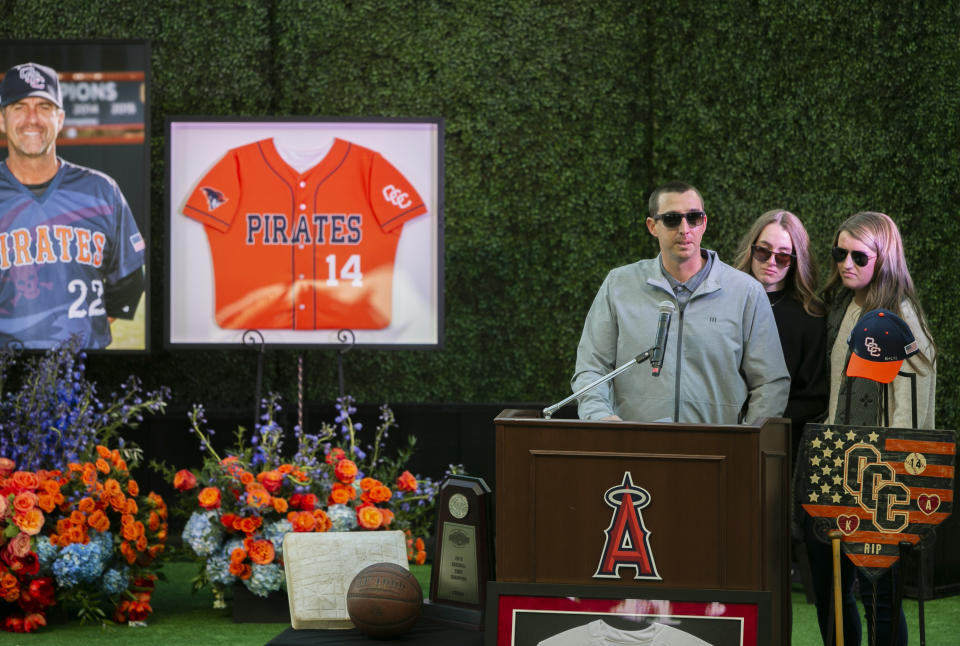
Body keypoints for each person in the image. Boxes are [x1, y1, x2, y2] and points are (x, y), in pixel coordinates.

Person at [806, 211, 936, 646]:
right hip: (839, 468)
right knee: (835, 595)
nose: (847, 264)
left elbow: (913, 409)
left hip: (881, 478)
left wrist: (897, 485)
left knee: (880, 599)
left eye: (859, 256)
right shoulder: (850, 305)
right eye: (839, 253)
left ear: (885, 257)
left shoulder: (900, 316)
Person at [571, 181, 790, 424]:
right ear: (652, 226)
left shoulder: (746, 292)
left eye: (694, 217)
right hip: (635, 449)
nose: (685, 229)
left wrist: (749, 439)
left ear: (704, 223)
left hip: (717, 452)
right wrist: (600, 417)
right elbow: (591, 368)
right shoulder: (619, 285)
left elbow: (770, 381)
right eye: (672, 219)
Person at [0, 62, 145, 349]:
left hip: (85, 371)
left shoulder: (102, 191)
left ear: (60, 119)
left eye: (44, 107)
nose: (32, 119)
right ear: (2, 120)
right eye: (19, 107)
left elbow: (127, 283)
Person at [733, 209, 828, 459]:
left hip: (780, 443)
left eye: (783, 256)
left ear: (796, 260)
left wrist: (761, 418)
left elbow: (814, 397)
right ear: (751, 249)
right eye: (763, 251)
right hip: (721, 431)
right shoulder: (725, 303)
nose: (771, 262)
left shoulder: (811, 316)